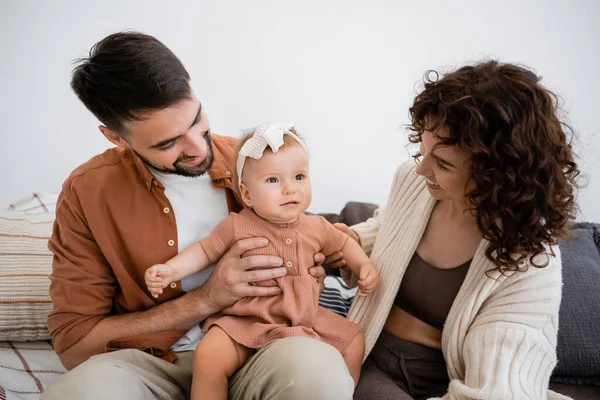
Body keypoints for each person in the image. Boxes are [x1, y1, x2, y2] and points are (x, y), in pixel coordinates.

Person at [41, 32, 354, 400]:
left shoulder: (253, 163)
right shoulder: (87, 192)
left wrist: (329, 261)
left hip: (259, 346)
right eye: (167, 143)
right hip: (148, 363)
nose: (194, 146)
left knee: (317, 374)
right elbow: (75, 343)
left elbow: (311, 238)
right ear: (116, 137)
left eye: (195, 120)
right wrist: (207, 298)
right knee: (81, 394)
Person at [332, 61, 579, 400]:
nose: (420, 168)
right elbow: (390, 226)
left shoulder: (530, 258)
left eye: (443, 163)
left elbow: (498, 389)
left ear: (498, 174)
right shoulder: (415, 182)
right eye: (423, 149)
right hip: (367, 353)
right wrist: (352, 240)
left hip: (455, 383)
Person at [145, 122, 379, 399]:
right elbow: (204, 251)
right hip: (246, 318)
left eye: (299, 177)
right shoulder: (238, 225)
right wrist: (171, 270)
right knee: (208, 355)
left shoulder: (316, 226)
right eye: (273, 180)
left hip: (302, 316)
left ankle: (344, 391)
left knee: (354, 340)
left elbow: (344, 243)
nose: (290, 189)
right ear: (246, 194)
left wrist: (364, 266)